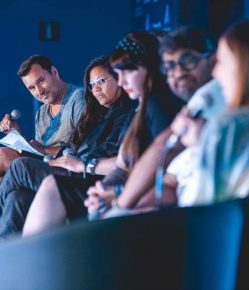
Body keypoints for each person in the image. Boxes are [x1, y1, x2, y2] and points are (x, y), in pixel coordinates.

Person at [23, 31, 183, 236]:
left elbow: (162, 167)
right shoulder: (141, 106)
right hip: (106, 186)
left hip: (127, 195)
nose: (122, 81)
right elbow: (126, 163)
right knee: (24, 190)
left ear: (151, 67)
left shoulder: (156, 103)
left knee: (39, 177)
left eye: (128, 71)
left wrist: (116, 195)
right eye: (118, 73)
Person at [85, 27, 222, 213]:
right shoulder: (185, 109)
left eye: (187, 61)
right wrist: (116, 194)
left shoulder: (207, 98)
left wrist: (120, 200)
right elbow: (166, 180)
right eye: (171, 66)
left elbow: (162, 158)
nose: (178, 72)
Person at [0, 56, 136, 238]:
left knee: (16, 164)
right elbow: (75, 146)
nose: (95, 89)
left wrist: (82, 164)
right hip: (67, 164)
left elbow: (122, 160)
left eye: (101, 81)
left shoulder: (125, 112)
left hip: (86, 175)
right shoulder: (101, 115)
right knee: (19, 198)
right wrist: (20, 138)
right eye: (92, 84)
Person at [166, 20, 249, 206]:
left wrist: (208, 142)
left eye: (221, 62)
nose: (215, 73)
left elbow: (195, 209)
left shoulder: (228, 127)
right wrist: (203, 142)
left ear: (247, 67)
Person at [0, 55, 85, 178]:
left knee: (3, 155)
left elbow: (85, 149)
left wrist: (44, 150)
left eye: (41, 81)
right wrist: (18, 137)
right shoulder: (42, 113)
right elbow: (38, 153)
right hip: (46, 166)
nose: (39, 91)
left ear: (54, 73)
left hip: (69, 169)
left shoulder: (79, 98)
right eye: (32, 88)